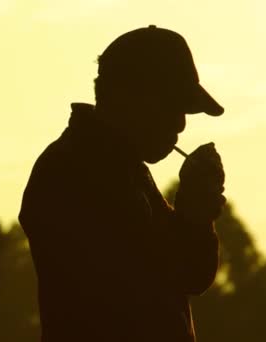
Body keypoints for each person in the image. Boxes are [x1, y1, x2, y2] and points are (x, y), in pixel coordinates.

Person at [19, 25, 226, 341]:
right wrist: (190, 215)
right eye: (171, 105)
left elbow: (189, 275)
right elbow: (137, 288)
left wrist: (196, 217)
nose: (181, 123)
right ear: (127, 97)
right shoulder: (69, 172)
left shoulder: (124, 170)